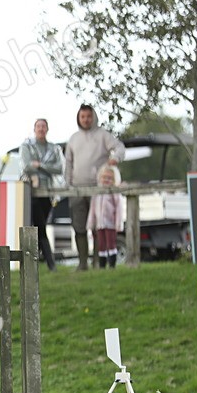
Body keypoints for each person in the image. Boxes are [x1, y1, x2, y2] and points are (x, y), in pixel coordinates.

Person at [64, 104, 125, 270]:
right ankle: (82, 263)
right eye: (82, 116)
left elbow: (119, 147)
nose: (85, 120)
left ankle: (98, 262)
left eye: (88, 116)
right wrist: (67, 185)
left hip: (98, 190)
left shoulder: (103, 135)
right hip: (77, 188)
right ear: (78, 118)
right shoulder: (73, 139)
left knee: (99, 226)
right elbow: (68, 163)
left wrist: (115, 159)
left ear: (94, 117)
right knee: (79, 226)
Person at [19, 118, 64, 270]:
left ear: (47, 129)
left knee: (40, 225)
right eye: (38, 126)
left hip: (48, 191)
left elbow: (59, 168)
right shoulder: (27, 145)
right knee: (40, 227)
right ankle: (51, 264)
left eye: (44, 126)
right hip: (32, 190)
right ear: (34, 129)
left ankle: (36, 261)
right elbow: (26, 166)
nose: (41, 129)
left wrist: (40, 165)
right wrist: (45, 168)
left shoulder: (53, 148)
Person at [87, 165, 125, 268]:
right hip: (100, 223)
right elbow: (92, 209)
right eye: (104, 177)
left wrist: (118, 224)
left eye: (109, 178)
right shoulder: (97, 192)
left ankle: (112, 265)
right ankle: (102, 265)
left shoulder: (114, 192)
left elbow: (119, 209)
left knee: (111, 243)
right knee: (101, 244)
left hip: (110, 223)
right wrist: (91, 224)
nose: (106, 180)